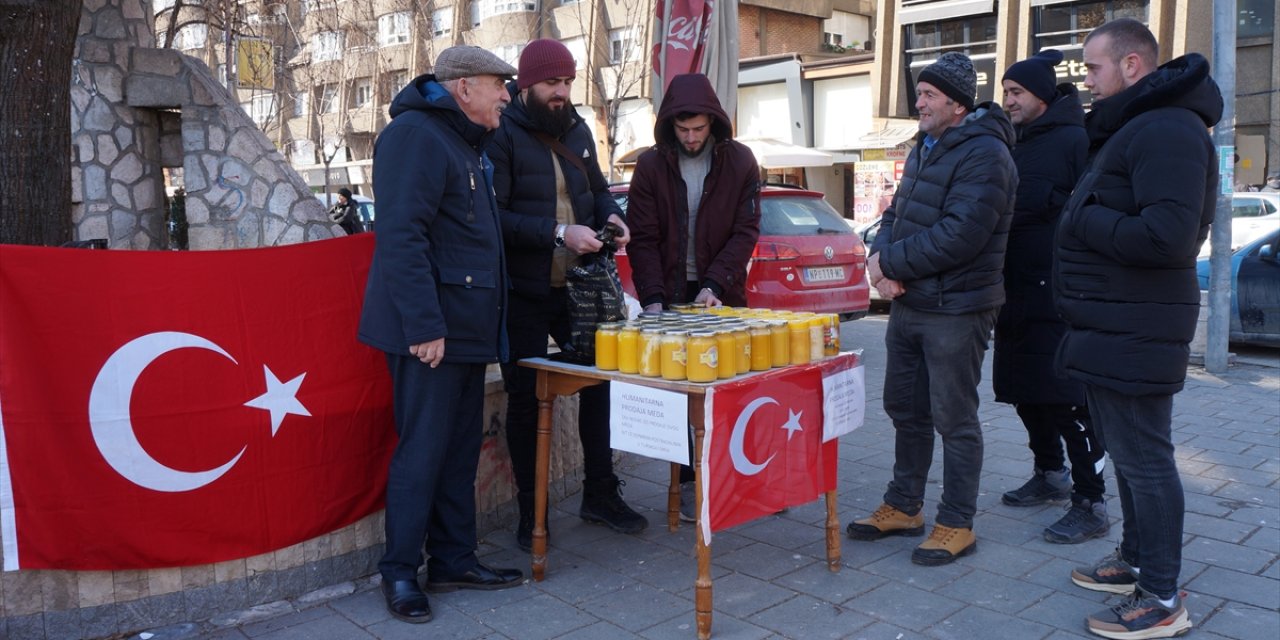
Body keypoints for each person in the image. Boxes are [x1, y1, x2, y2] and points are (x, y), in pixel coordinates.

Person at [1055, 18, 1220, 639]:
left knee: (1146, 458)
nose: (1087, 81)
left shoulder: (1169, 128)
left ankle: (1162, 596)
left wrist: (1085, 222)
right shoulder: (1140, 125)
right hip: (1114, 320)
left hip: (1136, 322)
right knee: (1126, 454)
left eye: (1094, 68)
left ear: (1131, 66)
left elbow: (1169, 236)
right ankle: (1135, 560)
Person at [358, 45, 525, 624]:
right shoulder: (416, 137)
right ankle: (400, 571)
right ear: (463, 88)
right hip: (431, 333)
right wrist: (426, 326)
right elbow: (402, 238)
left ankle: (453, 559)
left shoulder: (461, 141)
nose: (507, 95)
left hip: (464, 331)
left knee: (457, 452)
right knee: (423, 452)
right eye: (498, 84)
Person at [844, 52, 1015, 566]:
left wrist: (889, 263)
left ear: (957, 104)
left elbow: (962, 234)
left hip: (958, 308)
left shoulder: (986, 154)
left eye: (928, 95)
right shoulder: (924, 146)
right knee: (905, 409)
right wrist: (880, 262)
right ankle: (903, 505)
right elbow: (896, 211)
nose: (917, 103)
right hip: (912, 301)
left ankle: (956, 522)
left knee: (954, 418)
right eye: (918, 94)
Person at [488, 38, 646, 552]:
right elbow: (497, 218)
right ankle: (530, 513)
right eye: (552, 83)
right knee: (525, 401)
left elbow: (597, 188)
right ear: (527, 84)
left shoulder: (576, 127)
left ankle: (600, 494)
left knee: (601, 385)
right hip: (524, 290)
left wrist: (611, 216)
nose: (561, 93)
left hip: (579, 289)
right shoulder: (501, 131)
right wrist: (559, 234)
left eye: (567, 83)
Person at [624, 72, 761, 520]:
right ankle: (686, 484)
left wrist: (716, 283)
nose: (691, 138)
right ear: (669, 127)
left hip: (720, 293)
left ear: (714, 123)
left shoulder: (741, 162)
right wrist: (654, 299)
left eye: (699, 129)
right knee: (679, 394)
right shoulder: (650, 165)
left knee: (726, 388)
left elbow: (746, 232)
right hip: (669, 288)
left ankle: (736, 476)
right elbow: (643, 238)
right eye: (682, 130)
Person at [995, 49, 1109, 545]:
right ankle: (1049, 473)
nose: (1008, 101)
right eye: (1005, 92)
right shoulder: (1013, 140)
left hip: (1056, 292)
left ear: (1041, 94)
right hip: (1013, 290)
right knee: (1024, 392)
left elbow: (1091, 204)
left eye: (1016, 92)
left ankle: (1091, 499)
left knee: (1065, 400)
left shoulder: (1074, 138)